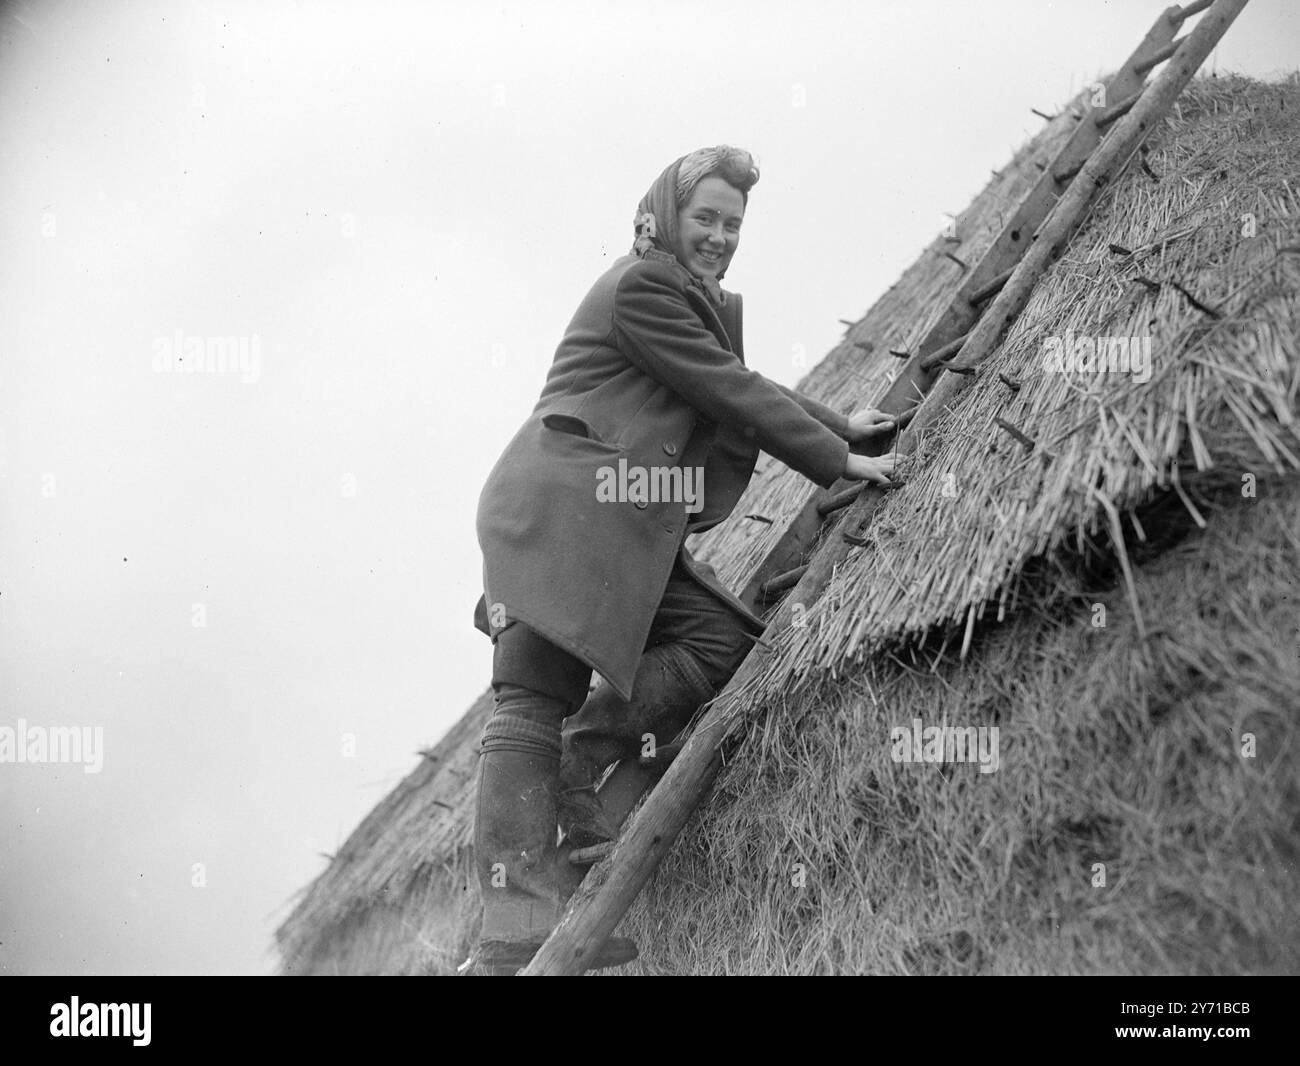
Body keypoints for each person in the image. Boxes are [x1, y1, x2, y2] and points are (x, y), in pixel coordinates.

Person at [469, 145, 898, 974]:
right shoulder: (641, 285)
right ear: (667, 213)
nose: (720, 236)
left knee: (720, 643)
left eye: (733, 224)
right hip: (558, 509)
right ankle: (510, 932)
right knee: (528, 700)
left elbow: (731, 375)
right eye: (705, 218)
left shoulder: (680, 297)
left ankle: (582, 758)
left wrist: (840, 423)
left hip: (622, 517)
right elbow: (723, 386)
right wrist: (836, 460)